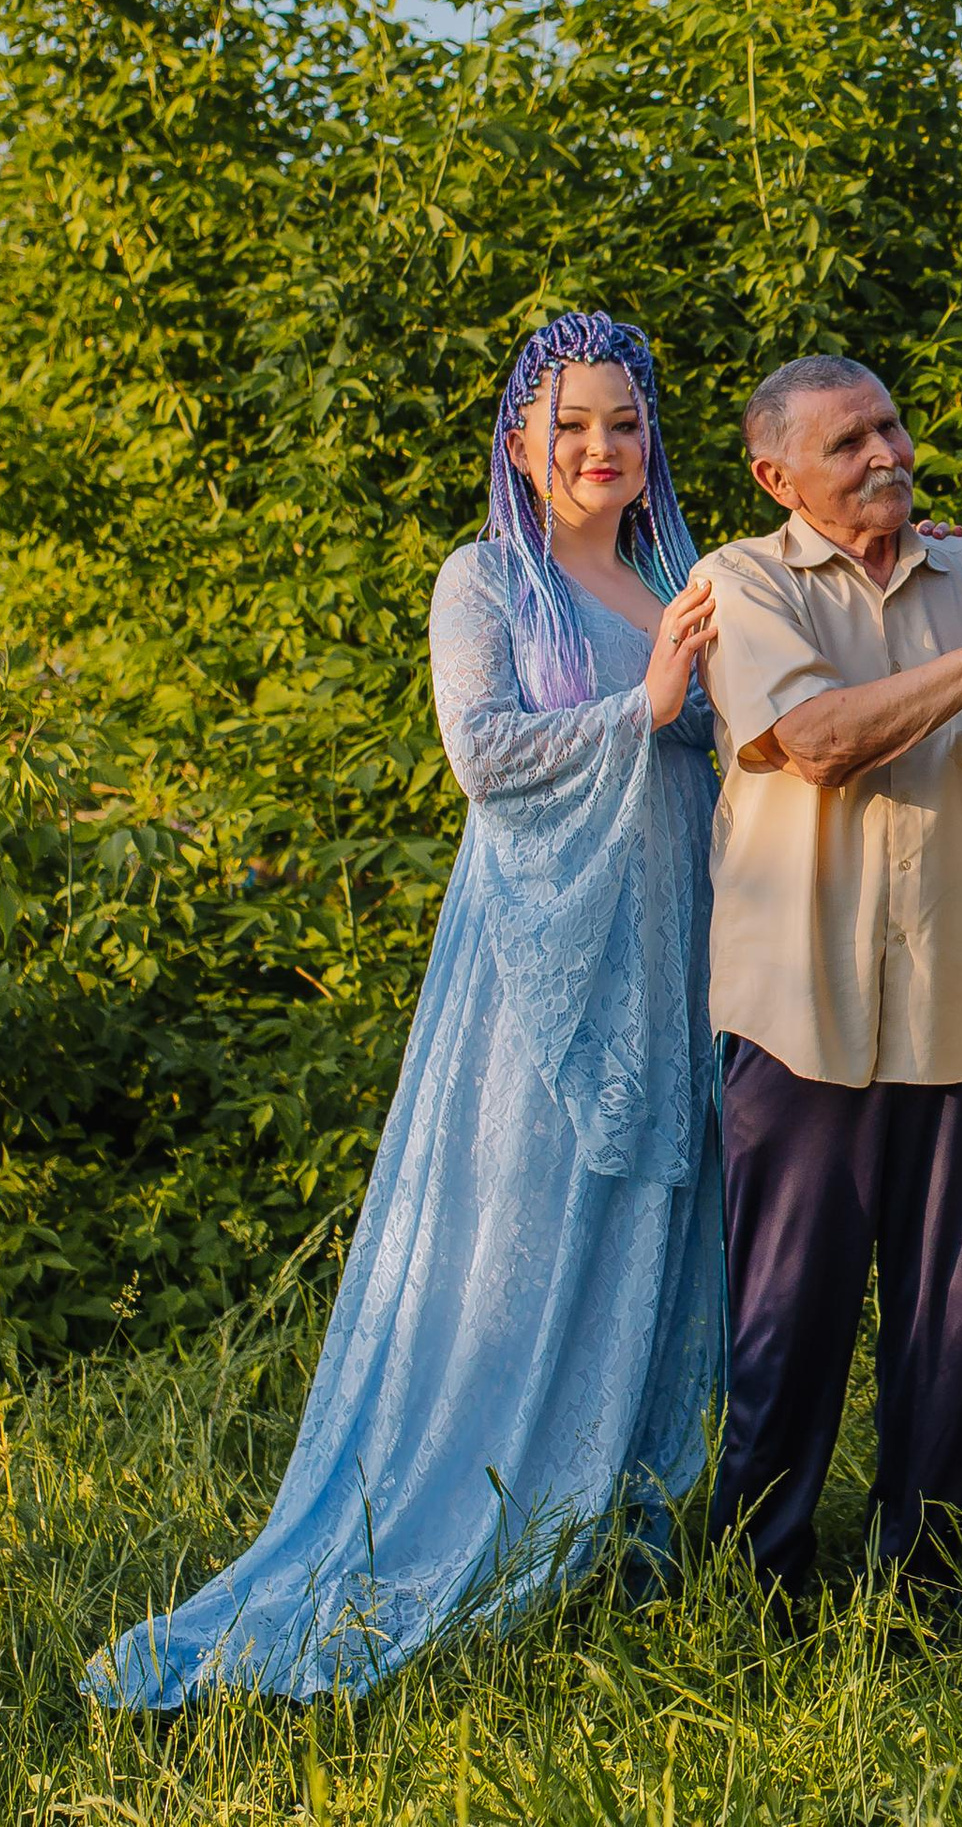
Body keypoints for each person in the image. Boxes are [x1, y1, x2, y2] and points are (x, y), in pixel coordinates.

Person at [88, 311, 725, 1706]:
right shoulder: (486, 580)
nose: (601, 449)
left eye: (624, 422)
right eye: (572, 426)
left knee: (643, 1237)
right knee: (515, 1238)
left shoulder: (679, 576)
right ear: (520, 440)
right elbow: (485, 757)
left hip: (667, 960)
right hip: (533, 983)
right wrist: (650, 704)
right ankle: (466, 1517)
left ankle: (604, 1531)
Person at [697, 355, 962, 1611]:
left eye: (890, 425)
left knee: (946, 1337)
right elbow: (817, 743)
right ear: (779, 475)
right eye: (850, 443)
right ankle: (755, 1592)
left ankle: (920, 1593)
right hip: (799, 1019)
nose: (889, 452)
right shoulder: (740, 581)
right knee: (787, 1331)